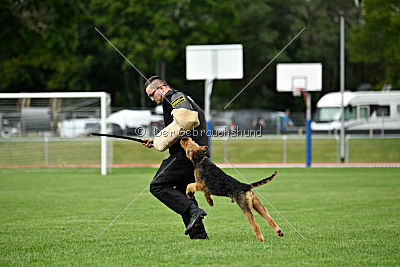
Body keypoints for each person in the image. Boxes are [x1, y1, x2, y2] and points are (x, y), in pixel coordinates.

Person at [142, 76, 209, 239]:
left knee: (157, 186)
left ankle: (193, 211)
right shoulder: (176, 99)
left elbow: (186, 119)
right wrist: (156, 139)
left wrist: (160, 141)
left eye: (152, 95)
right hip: (195, 156)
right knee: (183, 192)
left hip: (187, 155)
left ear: (161, 88)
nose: (152, 99)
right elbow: (179, 127)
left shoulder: (175, 97)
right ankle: (199, 235)